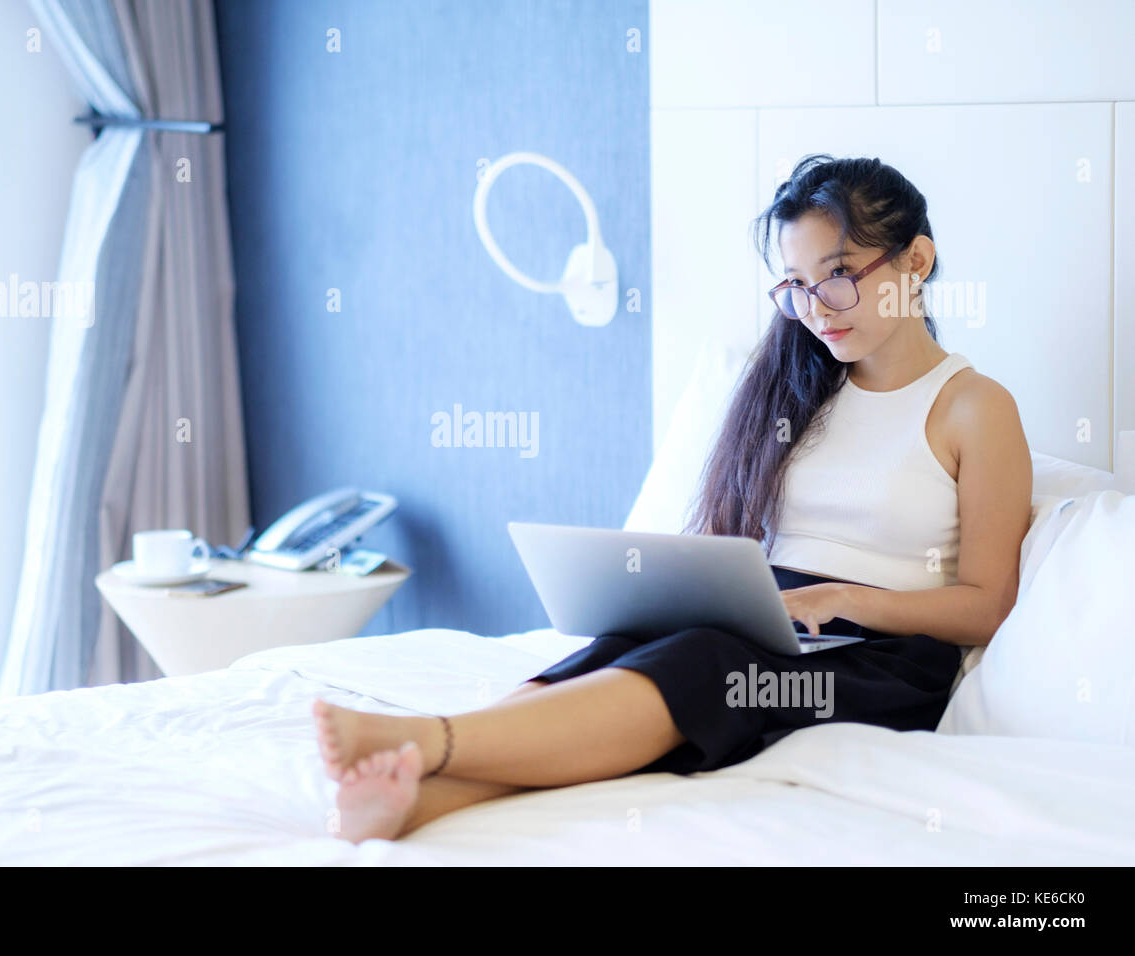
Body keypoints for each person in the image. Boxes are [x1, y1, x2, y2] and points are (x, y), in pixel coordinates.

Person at [313, 154, 1033, 844]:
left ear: (916, 261)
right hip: (773, 620)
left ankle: (430, 739)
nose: (814, 308)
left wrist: (841, 598)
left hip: (881, 660)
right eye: (795, 286)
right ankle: (422, 793)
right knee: (629, 644)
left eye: (838, 274)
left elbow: (987, 603)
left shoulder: (973, 407)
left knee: (706, 662)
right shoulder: (797, 390)